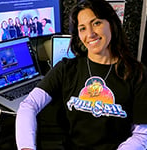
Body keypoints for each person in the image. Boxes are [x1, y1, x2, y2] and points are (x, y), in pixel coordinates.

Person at [16, 0, 147, 149]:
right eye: (82, 28)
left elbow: (142, 134)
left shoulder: (137, 73)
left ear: (111, 23)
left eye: (96, 23)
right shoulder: (67, 68)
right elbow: (29, 105)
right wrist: (26, 147)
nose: (90, 34)